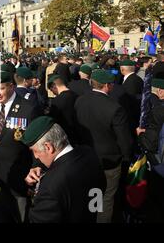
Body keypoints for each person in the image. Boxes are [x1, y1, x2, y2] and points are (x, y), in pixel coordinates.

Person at [74, 69, 133, 223]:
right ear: (107, 86)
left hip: (87, 158)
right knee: (106, 198)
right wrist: (126, 159)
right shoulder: (114, 107)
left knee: (93, 195)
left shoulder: (80, 101)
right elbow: (124, 140)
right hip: (109, 162)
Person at [22, 116, 106, 223]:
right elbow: (100, 187)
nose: (36, 157)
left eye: (35, 151)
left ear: (48, 147)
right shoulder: (89, 153)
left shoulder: (49, 187)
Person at [0, 70, 40, 222]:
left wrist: (35, 166)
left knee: (21, 213)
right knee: (7, 210)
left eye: (1, 89)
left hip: (21, 173)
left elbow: (37, 141)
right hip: (0, 170)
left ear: (11, 87)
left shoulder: (28, 108)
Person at [137, 77, 164, 222]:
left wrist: (140, 135)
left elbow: (150, 142)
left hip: (159, 165)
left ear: (160, 91)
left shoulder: (159, 111)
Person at [47, 74, 78, 145]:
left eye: (51, 90)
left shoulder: (56, 102)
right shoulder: (77, 96)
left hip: (66, 137)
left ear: (54, 86)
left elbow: (53, 121)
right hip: (80, 135)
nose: (53, 93)